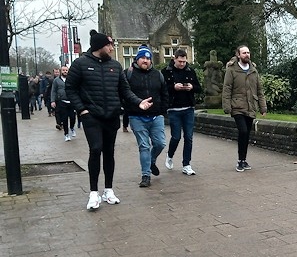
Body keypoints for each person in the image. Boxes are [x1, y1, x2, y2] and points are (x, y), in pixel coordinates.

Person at [65, 29, 153, 211]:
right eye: (109, 45)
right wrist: (82, 110)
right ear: (99, 46)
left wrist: (139, 103)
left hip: (111, 116)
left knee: (109, 152)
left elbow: (125, 90)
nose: (112, 48)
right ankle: (93, 193)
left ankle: (108, 190)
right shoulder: (80, 64)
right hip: (91, 117)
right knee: (95, 149)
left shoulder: (115, 66)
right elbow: (70, 89)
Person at [125, 45, 168, 188]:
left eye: (148, 58)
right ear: (137, 59)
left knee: (160, 143)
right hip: (137, 117)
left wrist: (162, 110)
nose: (145, 60)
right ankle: (146, 175)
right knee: (144, 146)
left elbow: (164, 93)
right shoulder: (128, 74)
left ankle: (152, 160)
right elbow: (124, 93)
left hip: (156, 116)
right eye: (142, 58)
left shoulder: (158, 75)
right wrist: (128, 108)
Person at [222, 45, 267, 172]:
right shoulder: (232, 70)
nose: (247, 55)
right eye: (244, 53)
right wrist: (227, 106)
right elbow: (227, 88)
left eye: (248, 52)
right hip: (237, 106)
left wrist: (263, 107)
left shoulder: (253, 70)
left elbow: (259, 90)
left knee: (247, 134)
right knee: (242, 131)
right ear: (238, 55)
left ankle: (243, 159)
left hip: (251, 105)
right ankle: (240, 161)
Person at [162, 48, 201, 175]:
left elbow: (198, 87)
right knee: (176, 136)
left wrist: (191, 87)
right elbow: (162, 89)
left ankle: (186, 164)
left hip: (188, 108)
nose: (182, 64)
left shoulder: (190, 71)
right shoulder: (166, 72)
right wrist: (173, 87)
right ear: (174, 59)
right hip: (174, 109)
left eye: (184, 61)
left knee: (189, 137)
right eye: (180, 61)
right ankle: (170, 154)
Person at [50, 66, 76, 141]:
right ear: (61, 71)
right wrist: (53, 101)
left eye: (66, 70)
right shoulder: (56, 80)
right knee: (64, 119)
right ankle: (66, 134)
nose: (65, 71)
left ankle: (72, 128)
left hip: (71, 102)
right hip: (62, 102)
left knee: (73, 117)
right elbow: (53, 91)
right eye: (63, 70)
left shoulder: (72, 79)